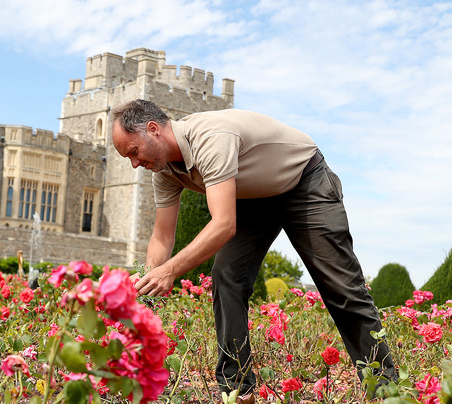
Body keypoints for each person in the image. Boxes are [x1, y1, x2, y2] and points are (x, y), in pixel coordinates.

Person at [110, 99, 395, 402]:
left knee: (341, 286)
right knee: (226, 276)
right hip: (254, 197)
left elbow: (223, 225)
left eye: (133, 152)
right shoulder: (164, 172)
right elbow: (162, 237)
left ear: (153, 130)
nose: (134, 164)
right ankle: (238, 389)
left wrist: (170, 271)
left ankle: (385, 388)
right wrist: (147, 283)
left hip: (304, 181)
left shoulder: (210, 138)